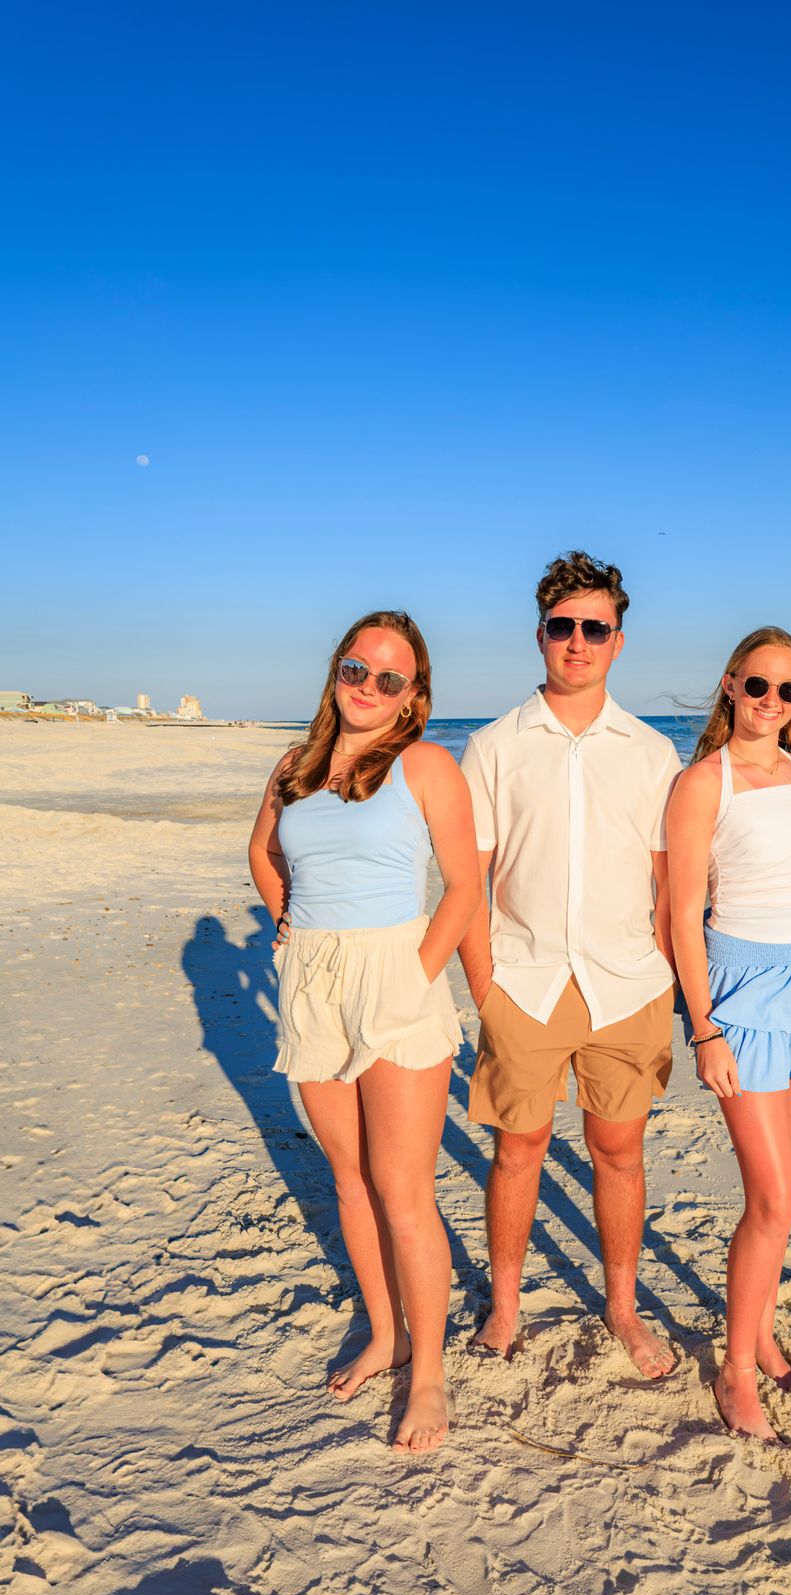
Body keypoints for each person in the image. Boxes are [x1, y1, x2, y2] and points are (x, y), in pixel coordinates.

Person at [247, 611, 479, 1453]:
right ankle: (385, 1334)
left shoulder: (425, 765)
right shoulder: (295, 765)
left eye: (390, 679)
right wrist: (286, 925)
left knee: (403, 1188)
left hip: (397, 975)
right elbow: (263, 852)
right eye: (357, 669)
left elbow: (463, 886)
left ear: (414, 695)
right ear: (336, 670)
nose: (369, 689)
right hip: (310, 977)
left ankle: (430, 1374)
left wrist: (413, 977)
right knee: (349, 1177)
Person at [458, 551, 682, 1376]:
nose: (578, 642)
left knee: (619, 1151)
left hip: (627, 985)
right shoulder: (492, 747)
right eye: (563, 627)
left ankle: (622, 1307)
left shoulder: (654, 754)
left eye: (595, 628)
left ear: (618, 641)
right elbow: (467, 881)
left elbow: (670, 885)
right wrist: (487, 987)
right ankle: (506, 1307)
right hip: (524, 981)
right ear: (541, 636)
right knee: (517, 1150)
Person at [666, 626, 791, 1443]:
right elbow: (678, 915)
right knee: (773, 1199)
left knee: (783, 1196)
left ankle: (763, 1335)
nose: (771, 703)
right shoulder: (702, 782)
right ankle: (737, 1372)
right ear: (730, 684)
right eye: (758, 686)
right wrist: (705, 1028)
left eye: (788, 691)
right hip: (741, 996)